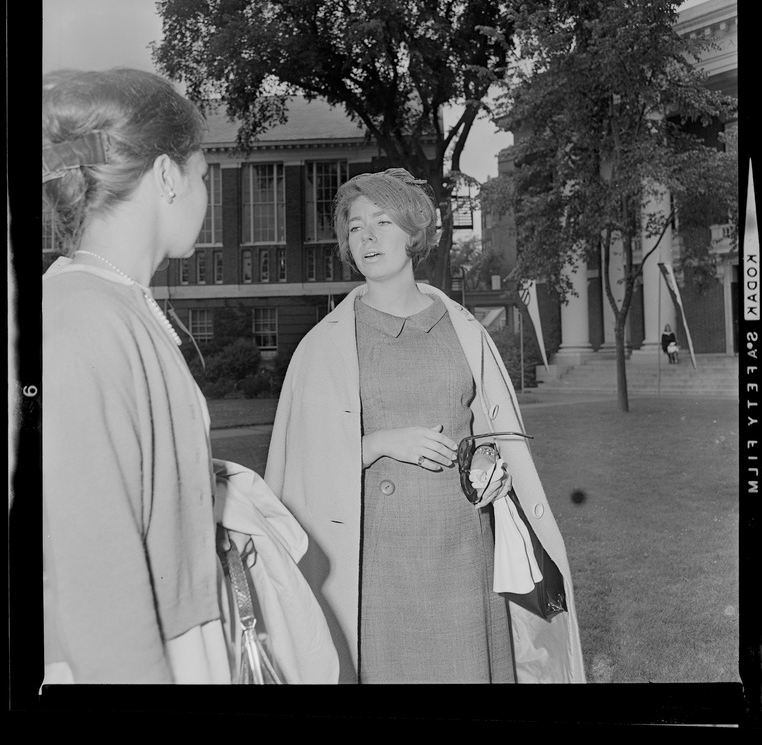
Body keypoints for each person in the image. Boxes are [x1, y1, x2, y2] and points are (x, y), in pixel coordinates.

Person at [41, 68, 337, 684]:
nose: (205, 193)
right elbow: (99, 578)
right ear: (168, 176)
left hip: (181, 633)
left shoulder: (114, 305)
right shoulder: (84, 321)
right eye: (204, 175)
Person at [264, 168, 586, 683]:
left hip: (463, 550)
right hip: (378, 559)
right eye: (355, 227)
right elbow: (298, 463)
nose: (367, 237)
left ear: (415, 233)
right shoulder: (324, 345)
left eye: (383, 222)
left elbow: (492, 433)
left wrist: (491, 468)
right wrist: (379, 444)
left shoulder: (462, 329)